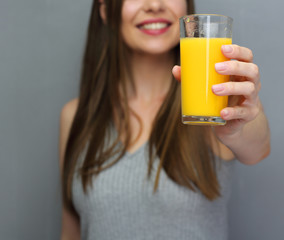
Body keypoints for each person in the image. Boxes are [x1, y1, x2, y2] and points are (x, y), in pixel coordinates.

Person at [59, 0, 270, 239]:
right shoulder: (75, 116)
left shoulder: (215, 104)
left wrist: (242, 119)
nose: (155, 4)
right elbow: (71, 233)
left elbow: (258, 148)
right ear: (105, 10)